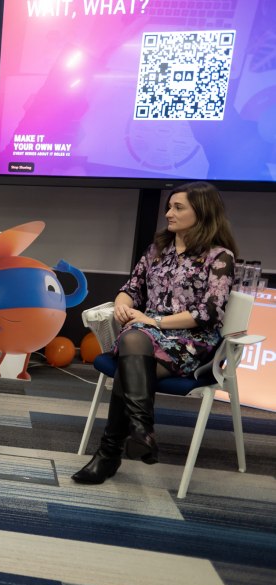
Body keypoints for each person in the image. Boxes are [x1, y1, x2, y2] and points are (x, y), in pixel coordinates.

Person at [73, 181, 237, 484]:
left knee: (131, 355)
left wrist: (153, 321)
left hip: (191, 341)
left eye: (178, 208)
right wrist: (122, 306)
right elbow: (131, 289)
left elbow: (208, 314)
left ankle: (112, 452)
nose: (168, 214)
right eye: (169, 207)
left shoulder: (219, 257)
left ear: (202, 212)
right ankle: (139, 433)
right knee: (135, 345)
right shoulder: (157, 250)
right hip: (145, 335)